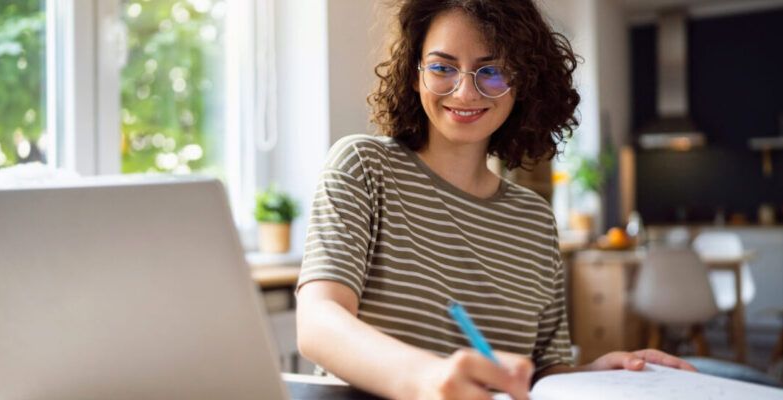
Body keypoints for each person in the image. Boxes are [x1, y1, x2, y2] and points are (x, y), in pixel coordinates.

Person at [295, 1, 694, 399]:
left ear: (522, 83)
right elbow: (318, 322)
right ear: (415, 75)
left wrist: (595, 373)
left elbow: (542, 372)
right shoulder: (364, 166)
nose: (465, 91)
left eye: (493, 71)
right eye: (442, 67)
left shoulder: (536, 220)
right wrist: (426, 379)